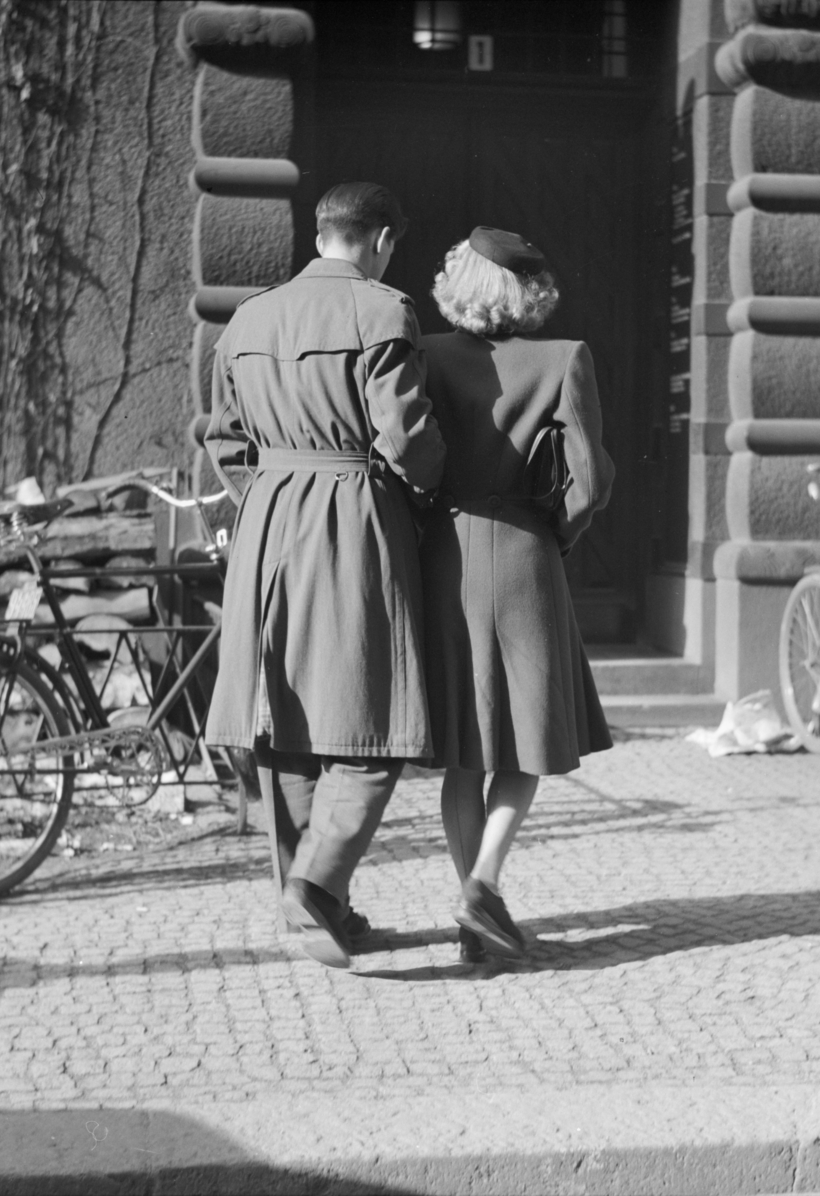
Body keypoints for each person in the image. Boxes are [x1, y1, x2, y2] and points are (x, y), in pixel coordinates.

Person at [204, 182, 445, 969]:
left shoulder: (247, 319)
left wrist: (270, 493)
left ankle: (313, 906)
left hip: (267, 521)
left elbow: (223, 438)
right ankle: (316, 883)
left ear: (319, 236)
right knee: (374, 715)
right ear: (380, 240)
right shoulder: (383, 311)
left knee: (285, 717)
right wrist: (430, 492)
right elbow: (405, 437)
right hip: (351, 517)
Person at [419, 227, 616, 963]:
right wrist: (555, 534)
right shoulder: (564, 358)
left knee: (464, 751)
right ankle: (483, 886)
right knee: (527, 739)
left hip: (446, 554)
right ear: (529, 292)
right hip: (527, 555)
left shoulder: (425, 356)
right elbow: (588, 482)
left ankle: (471, 908)